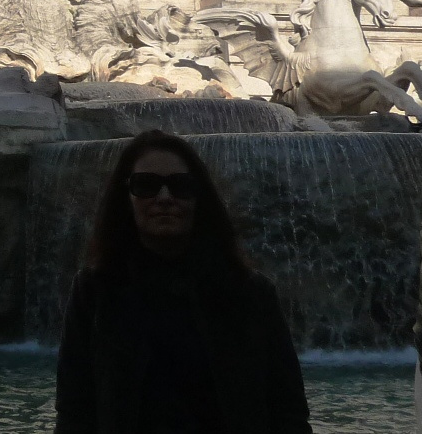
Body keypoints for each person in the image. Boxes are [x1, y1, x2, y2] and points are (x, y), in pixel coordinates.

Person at [55, 130, 311, 434]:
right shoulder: (93, 292)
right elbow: (74, 411)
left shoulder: (251, 293)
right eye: (146, 185)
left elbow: (288, 410)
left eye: (181, 186)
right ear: (126, 197)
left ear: (200, 197)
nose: (165, 198)